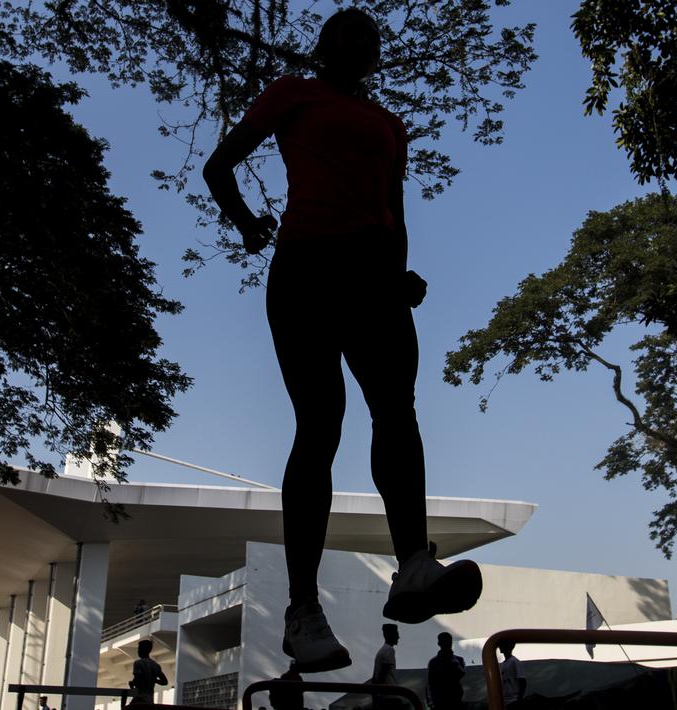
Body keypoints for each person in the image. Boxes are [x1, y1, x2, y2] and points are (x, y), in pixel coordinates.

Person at [202, 6, 482, 675]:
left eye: (370, 36)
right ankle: (302, 610)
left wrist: (399, 274)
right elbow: (219, 167)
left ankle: (413, 565)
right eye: (347, 32)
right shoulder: (291, 93)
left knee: (397, 413)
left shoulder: (388, 123)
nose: (361, 41)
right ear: (323, 47)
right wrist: (246, 223)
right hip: (305, 270)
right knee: (320, 424)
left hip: (374, 279)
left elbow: (393, 210)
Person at [427, 632, 465, 710]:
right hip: (443, 700)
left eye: (448, 641)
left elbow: (461, 673)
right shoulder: (434, 662)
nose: (447, 644)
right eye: (446, 642)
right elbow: (431, 683)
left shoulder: (434, 662)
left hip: (453, 699)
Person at [129, 639, 168, 704]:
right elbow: (164, 682)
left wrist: (132, 684)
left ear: (142, 650)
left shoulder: (138, 663)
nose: (138, 651)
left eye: (139, 649)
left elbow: (137, 679)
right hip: (150, 699)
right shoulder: (155, 665)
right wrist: (154, 680)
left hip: (140, 698)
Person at [497, 640, 525, 708]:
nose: (500, 647)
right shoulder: (502, 664)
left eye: (502, 645)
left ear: (508, 647)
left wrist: (519, 699)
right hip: (504, 700)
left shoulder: (515, 662)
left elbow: (522, 681)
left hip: (513, 700)